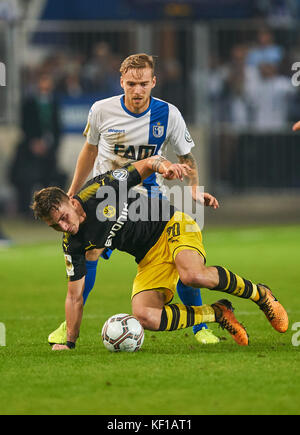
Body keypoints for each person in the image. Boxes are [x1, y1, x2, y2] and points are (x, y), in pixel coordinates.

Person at [31, 155, 288, 351]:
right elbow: (74, 296)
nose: (64, 227)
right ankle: (218, 312)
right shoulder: (72, 244)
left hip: (171, 223)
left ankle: (260, 294)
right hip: (148, 257)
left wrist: (164, 166)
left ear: (72, 201)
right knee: (144, 315)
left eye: (64, 217)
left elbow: (146, 164)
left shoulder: (99, 190)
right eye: (55, 226)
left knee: (191, 275)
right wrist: (70, 342)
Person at [48, 53, 219, 346]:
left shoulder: (169, 114)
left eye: (142, 83)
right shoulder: (101, 110)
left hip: (149, 197)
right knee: (89, 252)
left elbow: (186, 157)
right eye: (130, 83)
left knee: (177, 260)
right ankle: (70, 324)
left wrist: (193, 189)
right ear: (121, 82)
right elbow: (89, 151)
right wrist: (73, 192)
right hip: (104, 196)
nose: (137, 90)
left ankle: (200, 326)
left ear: (153, 82)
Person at [9, 73, 67, 216]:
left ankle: (53, 210)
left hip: (49, 153)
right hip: (30, 153)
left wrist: (50, 145)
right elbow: (25, 126)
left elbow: (57, 128)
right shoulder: (29, 103)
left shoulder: (54, 104)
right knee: (26, 178)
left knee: (58, 177)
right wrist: (34, 143)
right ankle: (25, 212)